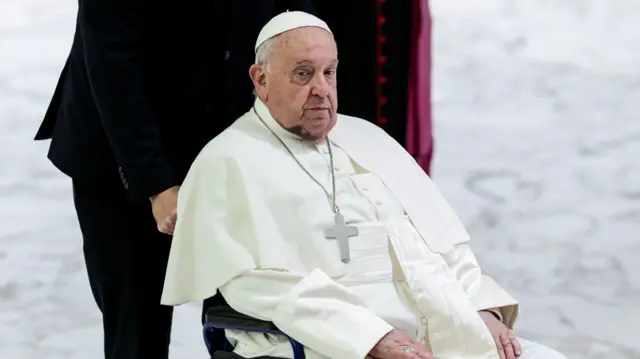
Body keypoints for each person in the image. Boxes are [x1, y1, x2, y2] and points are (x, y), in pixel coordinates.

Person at [160, 11, 567, 359]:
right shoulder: (228, 160)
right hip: (330, 347)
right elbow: (260, 287)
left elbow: (443, 245)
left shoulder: (368, 138)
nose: (321, 88)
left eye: (329, 72)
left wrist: (480, 307)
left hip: (445, 334)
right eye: (303, 74)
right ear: (261, 79)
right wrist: (372, 338)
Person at [33, 1, 314, 359]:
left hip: (234, 141)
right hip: (120, 148)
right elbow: (112, 65)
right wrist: (156, 184)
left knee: (249, 326)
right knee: (136, 328)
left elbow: (299, 21)